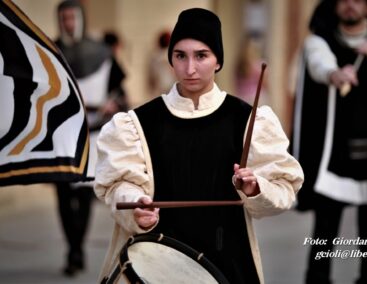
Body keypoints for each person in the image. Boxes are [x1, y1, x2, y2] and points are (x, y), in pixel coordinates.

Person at [94, 8, 303, 284]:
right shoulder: (137, 124)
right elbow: (117, 186)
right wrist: (136, 210)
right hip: (156, 262)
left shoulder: (249, 120)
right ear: (171, 59)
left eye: (201, 56)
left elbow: (285, 187)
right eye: (180, 56)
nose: (190, 68)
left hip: (230, 263)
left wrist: (255, 189)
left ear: (218, 61)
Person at [290, 0, 367, 283]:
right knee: (324, 237)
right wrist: (335, 74)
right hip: (334, 155)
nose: (350, 4)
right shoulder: (319, 40)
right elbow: (318, 63)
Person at [54, 0, 126, 277]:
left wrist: (112, 103)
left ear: (81, 18)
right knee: (63, 191)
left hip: (92, 131)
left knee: (84, 193)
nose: (69, 22)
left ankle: (76, 249)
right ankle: (72, 246)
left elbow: (118, 89)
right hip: (61, 132)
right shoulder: (51, 50)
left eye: (73, 17)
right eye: (65, 18)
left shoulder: (101, 52)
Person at [234, 35, 269, 105]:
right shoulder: (258, 65)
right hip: (256, 100)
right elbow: (266, 84)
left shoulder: (238, 65)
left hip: (242, 99)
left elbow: (235, 85)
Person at [147, 30, 176, 98]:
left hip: (160, 87)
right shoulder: (172, 55)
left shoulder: (154, 56)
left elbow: (151, 75)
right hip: (169, 86)